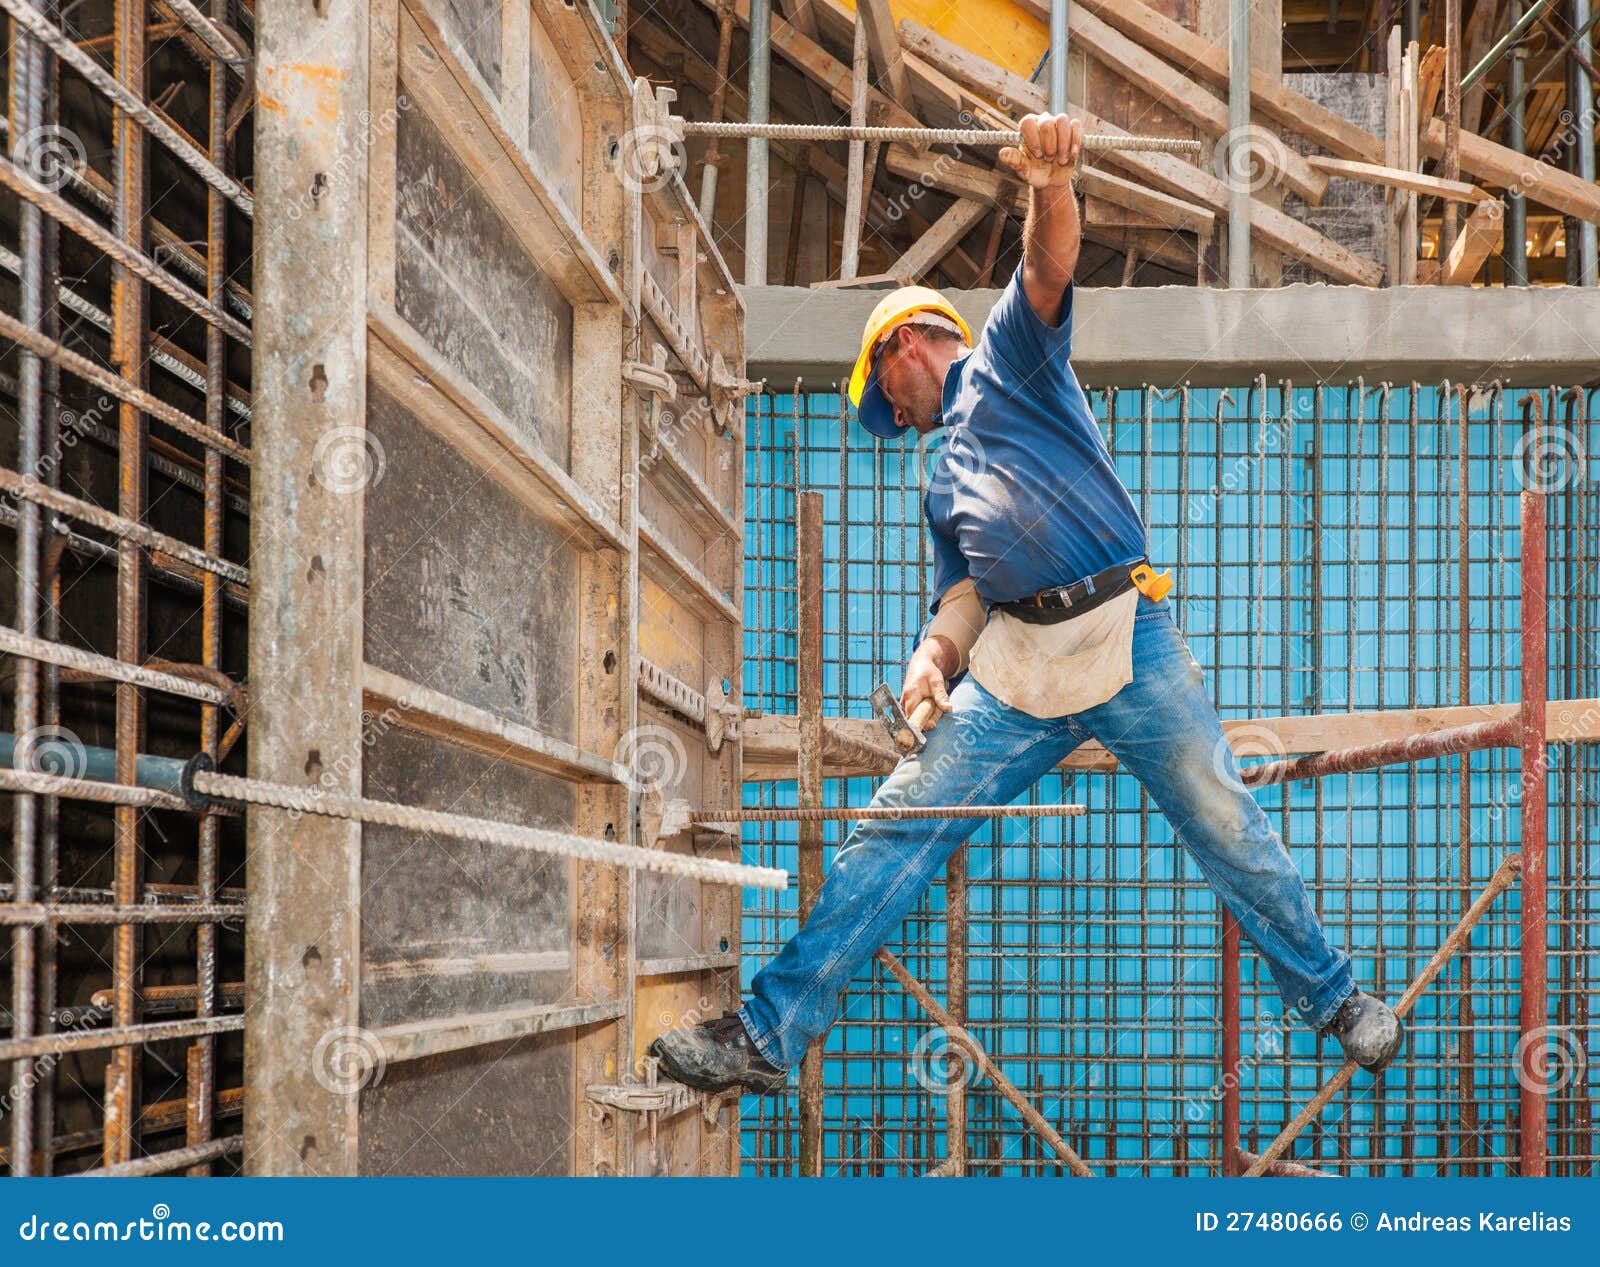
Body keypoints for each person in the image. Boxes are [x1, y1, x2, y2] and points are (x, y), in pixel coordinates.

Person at [651, 114, 1402, 1096]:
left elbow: (1048, 266)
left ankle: (1334, 999)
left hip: (1125, 637)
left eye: (888, 391)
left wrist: (1052, 184)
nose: (896, 415)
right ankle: (767, 1035)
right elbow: (963, 597)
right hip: (1015, 670)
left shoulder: (1009, 362)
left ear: (911, 345)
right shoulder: (939, 486)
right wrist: (930, 663)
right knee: (898, 825)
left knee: (1222, 816)